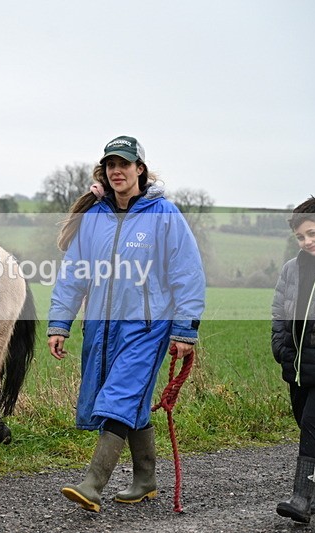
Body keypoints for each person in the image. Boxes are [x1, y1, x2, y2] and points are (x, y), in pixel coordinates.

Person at [46, 135, 205, 513]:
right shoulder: (94, 218)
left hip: (147, 328)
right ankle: (146, 479)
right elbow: (73, 275)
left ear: (140, 169)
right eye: (111, 165)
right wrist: (59, 323)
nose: (117, 171)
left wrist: (185, 328)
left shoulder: (164, 214)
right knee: (126, 398)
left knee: (117, 397)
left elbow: (187, 273)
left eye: (125, 164)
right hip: (101, 328)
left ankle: (93, 483)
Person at [272, 196, 315, 524]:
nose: (307, 241)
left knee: (312, 423)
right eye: (301, 237)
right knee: (306, 424)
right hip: (295, 367)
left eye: (313, 233)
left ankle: (301, 498)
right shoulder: (291, 268)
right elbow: (279, 310)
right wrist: (280, 346)